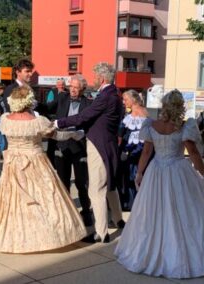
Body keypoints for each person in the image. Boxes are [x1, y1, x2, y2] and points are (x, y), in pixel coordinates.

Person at [115, 90, 204, 279]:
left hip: (156, 170)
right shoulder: (184, 126)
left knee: (157, 211)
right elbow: (192, 153)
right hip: (178, 169)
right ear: (180, 107)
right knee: (186, 211)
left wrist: (140, 173)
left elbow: (146, 152)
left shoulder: (151, 124)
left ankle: (155, 251)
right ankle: (181, 252)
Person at [0, 86, 87, 253]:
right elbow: (57, 135)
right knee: (44, 197)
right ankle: (50, 234)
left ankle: (13, 235)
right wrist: (74, 134)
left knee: (14, 200)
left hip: (13, 164)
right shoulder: (38, 121)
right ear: (29, 102)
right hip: (36, 161)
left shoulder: (5, 119)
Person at [56, 62, 125, 243]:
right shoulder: (115, 95)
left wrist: (59, 123)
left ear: (102, 78)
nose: (93, 80)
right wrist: (82, 130)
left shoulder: (105, 96)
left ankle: (101, 233)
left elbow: (85, 116)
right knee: (109, 185)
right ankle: (119, 220)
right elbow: (98, 119)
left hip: (98, 145)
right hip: (108, 144)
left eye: (95, 76)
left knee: (96, 190)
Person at [46, 74, 93, 226]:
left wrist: (83, 133)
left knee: (81, 183)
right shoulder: (62, 98)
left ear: (82, 89)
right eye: (70, 86)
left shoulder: (89, 104)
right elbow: (47, 108)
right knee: (63, 182)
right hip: (62, 146)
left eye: (75, 87)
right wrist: (31, 105)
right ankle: (66, 214)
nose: (72, 90)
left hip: (79, 147)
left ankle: (86, 213)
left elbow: (91, 125)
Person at [117, 89, 148, 211]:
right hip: (128, 149)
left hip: (136, 152)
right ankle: (128, 201)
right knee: (127, 175)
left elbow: (143, 138)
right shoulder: (129, 115)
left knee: (134, 174)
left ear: (133, 100)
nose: (124, 102)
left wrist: (129, 151)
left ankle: (134, 202)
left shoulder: (142, 114)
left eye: (125, 100)